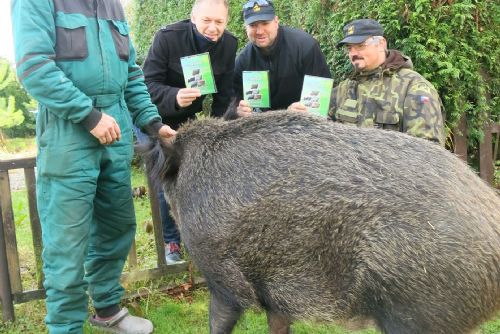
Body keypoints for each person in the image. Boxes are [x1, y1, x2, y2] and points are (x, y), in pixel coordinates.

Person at [11, 0, 176, 333]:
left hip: (113, 132)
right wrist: (88, 115)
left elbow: (130, 73)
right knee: (67, 244)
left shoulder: (111, 5)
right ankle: (65, 327)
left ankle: (107, 310)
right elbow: (33, 68)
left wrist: (153, 124)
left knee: (117, 228)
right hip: (67, 133)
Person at [141, 0, 237, 264]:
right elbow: (145, 85)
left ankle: (202, 238)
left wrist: (219, 133)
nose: (213, 28)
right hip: (154, 117)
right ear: (193, 17)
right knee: (166, 181)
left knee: (202, 178)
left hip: (187, 119)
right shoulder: (167, 38)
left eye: (219, 22)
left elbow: (224, 93)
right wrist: (174, 96)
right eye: (207, 20)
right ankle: (171, 243)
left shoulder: (229, 44)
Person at [329, 19, 445, 145]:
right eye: (349, 48)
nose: (353, 53)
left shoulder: (414, 87)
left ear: (381, 44)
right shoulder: (343, 89)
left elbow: (426, 151)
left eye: (360, 46)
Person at [233, 0, 331, 117]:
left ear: (276, 21)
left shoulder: (305, 46)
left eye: (265, 23)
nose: (259, 31)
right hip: (263, 127)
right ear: (245, 27)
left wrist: (299, 111)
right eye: (253, 25)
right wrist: (237, 111)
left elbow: (322, 98)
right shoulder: (242, 61)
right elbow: (232, 102)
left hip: (302, 125)